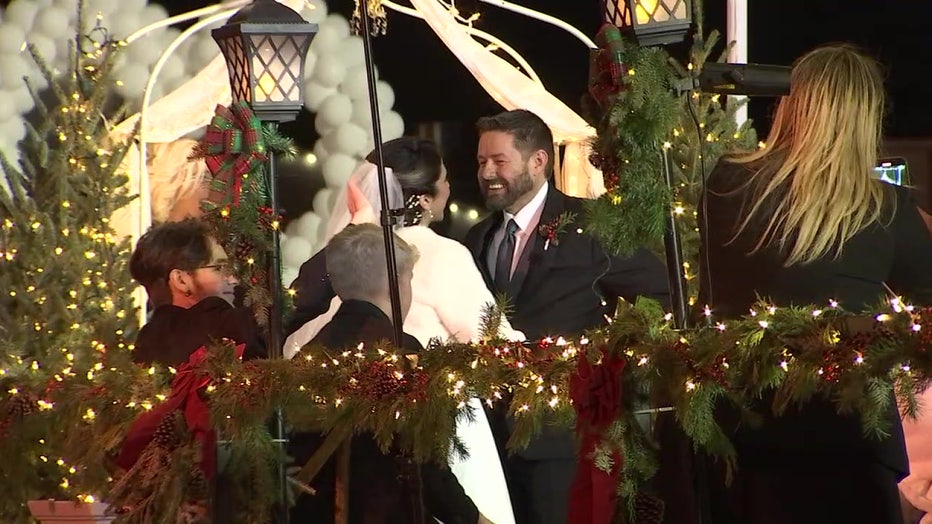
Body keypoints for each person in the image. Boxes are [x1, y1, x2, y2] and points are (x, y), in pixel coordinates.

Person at [699, 44, 932, 524]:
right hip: (847, 432)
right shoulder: (885, 207)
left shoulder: (727, 181)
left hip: (744, 425)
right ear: (864, 116)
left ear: (792, 102)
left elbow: (717, 298)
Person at [287, 137, 521, 524]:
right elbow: (491, 340)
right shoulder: (441, 253)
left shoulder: (354, 253)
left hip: (357, 437)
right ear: (425, 199)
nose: (449, 187)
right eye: (444, 180)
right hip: (436, 419)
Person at [463, 109, 670, 524]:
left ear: (538, 161)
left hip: (568, 436)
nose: (487, 172)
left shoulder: (592, 226)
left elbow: (662, 294)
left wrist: (617, 357)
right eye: (482, 162)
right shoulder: (477, 237)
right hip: (494, 438)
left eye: (499, 161)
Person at [288, 224, 491, 524]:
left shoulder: (309, 353)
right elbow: (424, 465)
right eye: (409, 278)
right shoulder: (403, 354)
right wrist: (473, 519)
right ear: (395, 283)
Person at [128, 218, 264, 367]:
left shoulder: (145, 342)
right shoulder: (222, 325)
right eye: (218, 268)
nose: (233, 279)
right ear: (181, 280)